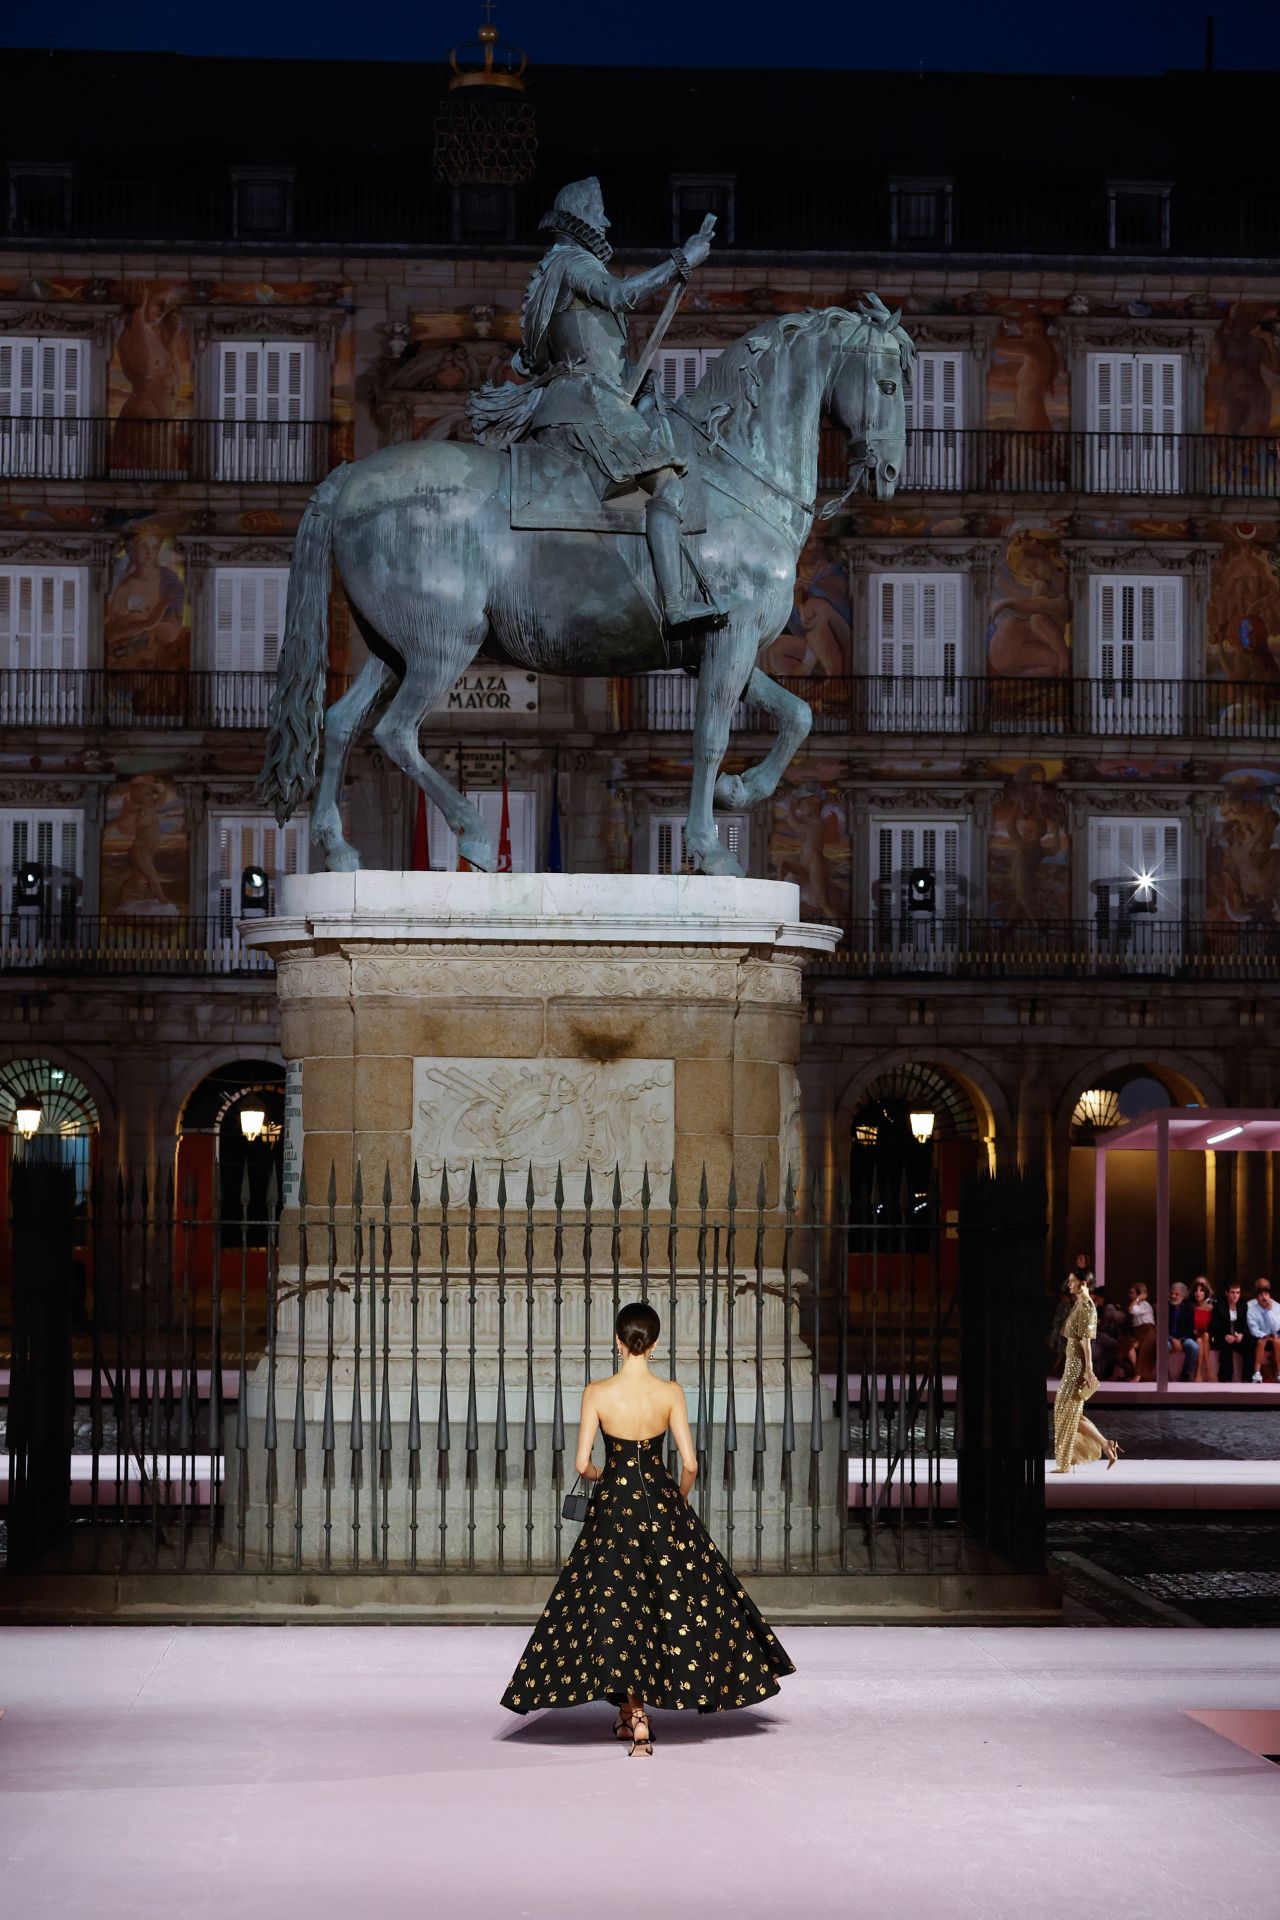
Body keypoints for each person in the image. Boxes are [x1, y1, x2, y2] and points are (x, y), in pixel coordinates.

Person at [501, 1301, 794, 1751]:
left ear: (618, 1341)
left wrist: (608, 1475)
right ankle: (637, 1711)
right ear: (655, 1344)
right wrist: (676, 1498)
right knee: (666, 1605)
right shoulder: (670, 1391)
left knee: (617, 1605)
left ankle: (631, 1712)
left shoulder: (596, 1391)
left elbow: (582, 1463)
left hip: (615, 1506)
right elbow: (691, 1464)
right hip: (660, 1502)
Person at [467, 176, 725, 640]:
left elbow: (569, 352)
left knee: (639, 503)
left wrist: (635, 385)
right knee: (665, 486)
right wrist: (682, 260)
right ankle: (675, 606)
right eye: (600, 213)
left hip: (576, 403)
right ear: (583, 218)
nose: (606, 223)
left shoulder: (551, 272)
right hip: (584, 410)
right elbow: (622, 295)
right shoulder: (572, 262)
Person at [1053, 1266, 1121, 1472]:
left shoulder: (1087, 1306)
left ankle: (1067, 1462)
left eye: (1072, 1280)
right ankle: (1105, 1445)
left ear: (1083, 1283)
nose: (1069, 1284)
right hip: (1072, 1363)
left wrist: (1088, 1369)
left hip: (1078, 1365)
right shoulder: (1079, 1304)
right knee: (1069, 1411)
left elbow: (1085, 1340)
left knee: (1067, 1410)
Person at [1210, 1281, 1249, 1383]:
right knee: (1226, 1345)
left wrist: (1241, 1334)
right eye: (1233, 1292)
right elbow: (1214, 1327)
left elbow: (1245, 1324)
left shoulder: (1243, 1305)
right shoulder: (1219, 1306)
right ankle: (1225, 1377)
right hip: (1222, 1337)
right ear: (1227, 1293)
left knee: (1249, 1343)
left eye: (1238, 1292)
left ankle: (1247, 1377)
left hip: (1237, 1337)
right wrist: (1225, 1336)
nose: (1235, 1295)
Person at [1120, 1281, 1157, 1381]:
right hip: (1138, 1331)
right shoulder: (1136, 1303)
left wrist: (1139, 1298)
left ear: (1138, 1293)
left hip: (1148, 1330)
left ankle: (1138, 1375)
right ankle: (1135, 1371)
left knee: (1145, 1349)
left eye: (1132, 1293)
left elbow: (1131, 1309)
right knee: (1128, 1345)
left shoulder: (1145, 1305)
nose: (1130, 1295)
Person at [1247, 1279, 1280, 1382]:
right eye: (1261, 1295)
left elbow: (1277, 1328)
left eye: (1266, 1294)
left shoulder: (1277, 1306)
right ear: (1257, 1297)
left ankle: (1279, 1372)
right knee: (1261, 1342)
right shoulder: (1251, 1308)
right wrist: (1264, 1335)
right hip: (1259, 1337)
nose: (1264, 1297)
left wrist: (1269, 1311)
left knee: (1278, 1341)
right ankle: (1257, 1374)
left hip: (1275, 1336)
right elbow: (1253, 1328)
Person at [1168, 1279, 1199, 1384]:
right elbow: (1161, 1328)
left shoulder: (1189, 1309)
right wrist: (1172, 1339)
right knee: (1165, 1346)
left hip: (1183, 1337)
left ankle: (1186, 1373)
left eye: (1176, 1294)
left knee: (1194, 1347)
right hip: (1168, 1337)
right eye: (1172, 1293)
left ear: (1183, 1295)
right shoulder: (1164, 1307)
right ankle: (1164, 1373)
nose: (1173, 1296)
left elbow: (1190, 1328)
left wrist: (1181, 1340)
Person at [1190, 1277, 1216, 1382]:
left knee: (1205, 1336)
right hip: (1193, 1334)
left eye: (1201, 1290)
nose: (1198, 1293)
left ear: (1205, 1292)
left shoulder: (1211, 1307)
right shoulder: (1190, 1307)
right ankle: (1202, 1371)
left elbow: (1213, 1326)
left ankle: (1203, 1370)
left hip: (1207, 1336)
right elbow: (1188, 1325)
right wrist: (1194, 1332)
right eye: (1196, 1290)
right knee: (1199, 1340)